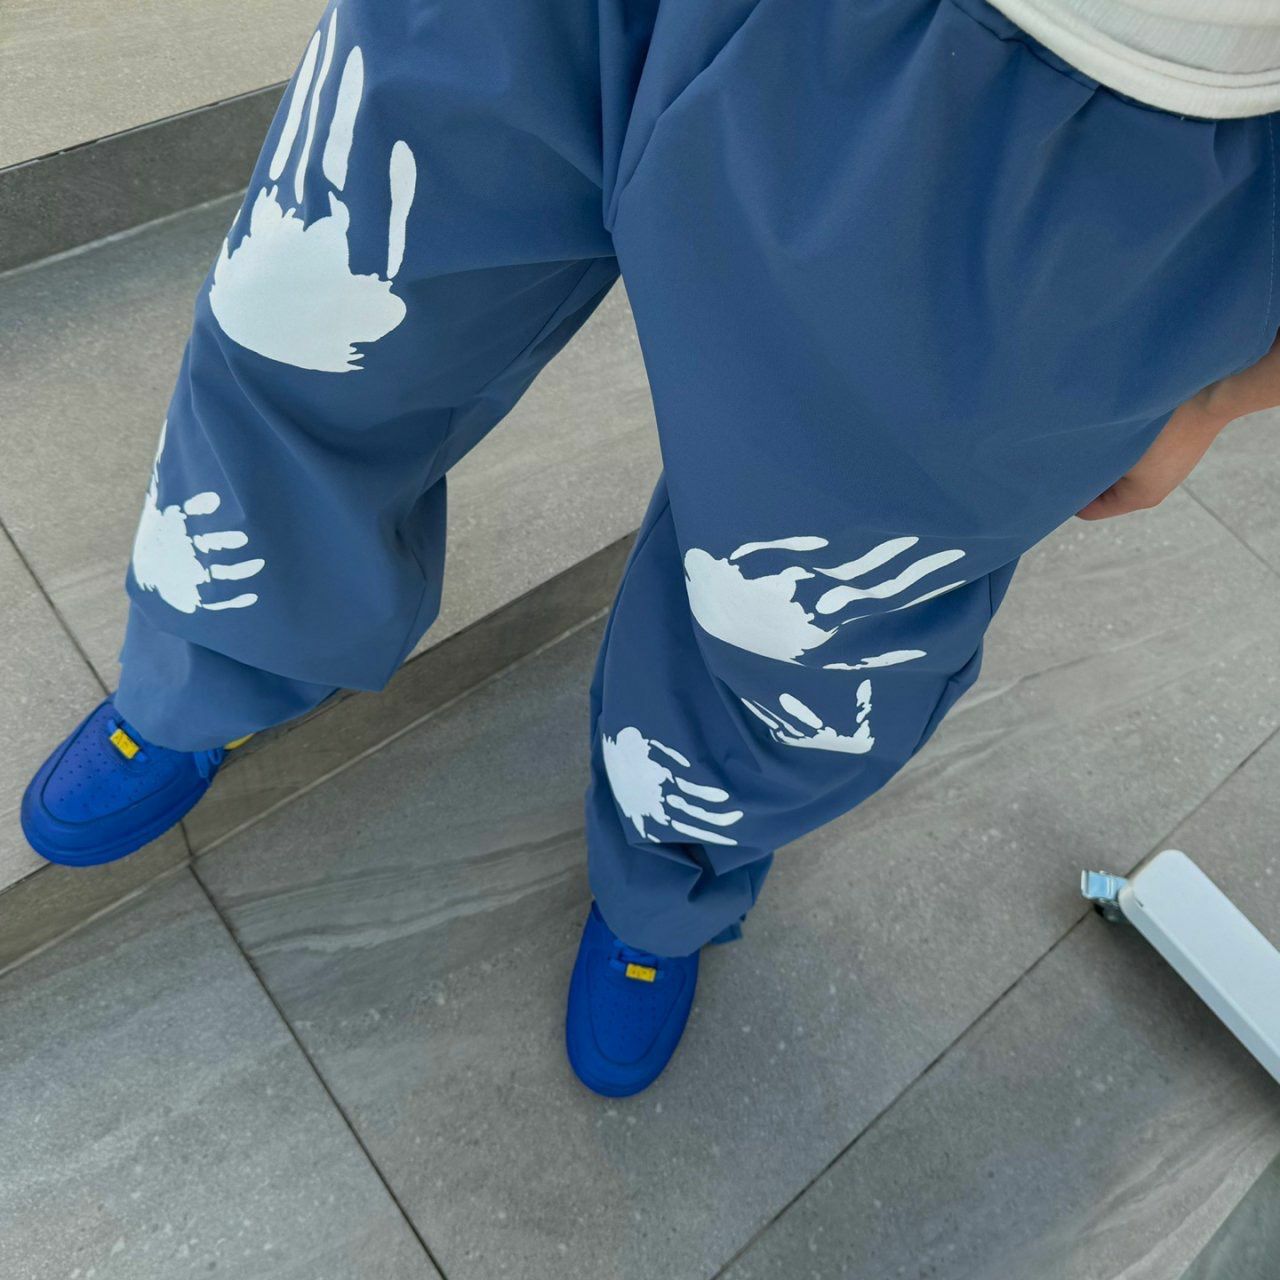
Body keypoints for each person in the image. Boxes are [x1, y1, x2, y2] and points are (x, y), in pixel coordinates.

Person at [20, 0, 1280, 1097]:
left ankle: (664, 872)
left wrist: (1237, 382)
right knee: (313, 306)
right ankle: (211, 659)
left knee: (802, 627)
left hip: (1084, 112)